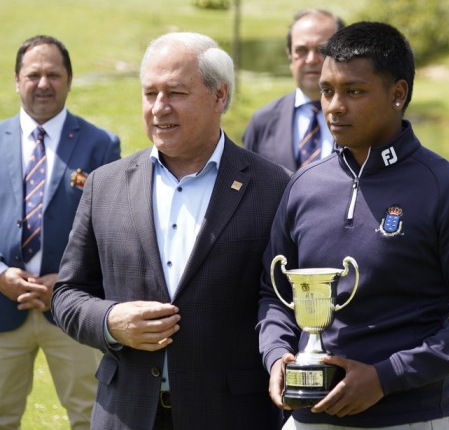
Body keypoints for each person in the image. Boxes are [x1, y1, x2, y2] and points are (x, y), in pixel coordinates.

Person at [258, 21, 449, 429]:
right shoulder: (304, 185)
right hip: (307, 418)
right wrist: (276, 356)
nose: (334, 106)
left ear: (398, 94)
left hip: (409, 419)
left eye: (353, 91)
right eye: (327, 91)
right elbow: (273, 296)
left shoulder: (447, 189)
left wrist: (386, 377)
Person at [52, 32, 290, 430]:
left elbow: (281, 299)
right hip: (125, 414)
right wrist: (110, 321)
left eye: (176, 92)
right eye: (150, 94)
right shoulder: (104, 184)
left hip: (231, 415)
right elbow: (67, 294)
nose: (159, 108)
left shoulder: (273, 186)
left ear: (219, 97)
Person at [0, 35, 120, 429]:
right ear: (17, 80)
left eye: (54, 74)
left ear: (69, 80)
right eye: (33, 74)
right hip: (2, 308)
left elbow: (110, 229)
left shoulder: (100, 145)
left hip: (70, 308)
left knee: (90, 416)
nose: (43, 83)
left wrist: (67, 282)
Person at [243, 9, 345, 171]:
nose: (311, 60)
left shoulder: (362, 118)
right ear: (290, 55)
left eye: (322, 50)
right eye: (301, 51)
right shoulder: (263, 122)